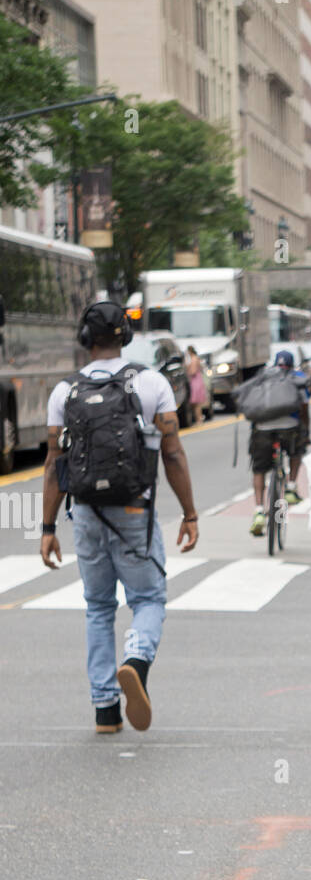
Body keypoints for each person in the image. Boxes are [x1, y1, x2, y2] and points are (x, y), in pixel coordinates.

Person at [39, 300, 199, 733]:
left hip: (86, 511)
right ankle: (137, 661)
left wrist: (47, 527)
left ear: (85, 339)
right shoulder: (151, 384)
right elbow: (172, 452)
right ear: (125, 337)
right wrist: (189, 513)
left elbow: (55, 461)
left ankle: (105, 709)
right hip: (134, 508)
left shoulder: (64, 392)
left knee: (98, 606)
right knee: (148, 599)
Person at [248, 350, 309, 536]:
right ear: (291, 365)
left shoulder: (265, 376)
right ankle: (290, 487)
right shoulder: (297, 377)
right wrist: (305, 432)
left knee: (259, 469)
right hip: (289, 426)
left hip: (263, 427)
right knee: (296, 451)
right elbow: (304, 409)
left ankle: (258, 510)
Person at [185, 345, 208, 426]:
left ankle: (199, 420)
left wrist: (187, 371)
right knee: (196, 403)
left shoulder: (194, 359)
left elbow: (193, 371)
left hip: (195, 381)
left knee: (196, 403)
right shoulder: (195, 358)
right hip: (197, 380)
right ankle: (199, 419)